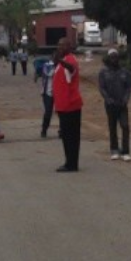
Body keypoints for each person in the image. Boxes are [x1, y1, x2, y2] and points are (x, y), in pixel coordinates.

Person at [52, 38, 83, 172]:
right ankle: (70, 161)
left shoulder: (70, 60)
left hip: (70, 105)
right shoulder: (62, 62)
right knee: (67, 135)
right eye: (58, 45)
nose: (60, 47)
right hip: (63, 105)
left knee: (71, 136)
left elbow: (72, 69)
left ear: (69, 47)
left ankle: (71, 163)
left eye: (63, 45)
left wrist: (60, 61)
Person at [98, 48, 131, 161]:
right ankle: (114, 149)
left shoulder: (125, 72)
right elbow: (102, 88)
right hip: (110, 105)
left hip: (122, 104)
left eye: (115, 56)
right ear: (109, 58)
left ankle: (125, 151)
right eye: (112, 57)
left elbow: (128, 88)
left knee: (125, 126)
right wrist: (108, 99)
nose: (114, 59)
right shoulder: (103, 72)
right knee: (112, 127)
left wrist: (125, 99)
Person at [35, 56, 55, 138]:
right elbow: (48, 73)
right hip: (48, 92)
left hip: (56, 92)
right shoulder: (48, 66)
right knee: (48, 112)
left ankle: (61, 131)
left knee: (59, 112)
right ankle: (44, 130)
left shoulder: (59, 66)